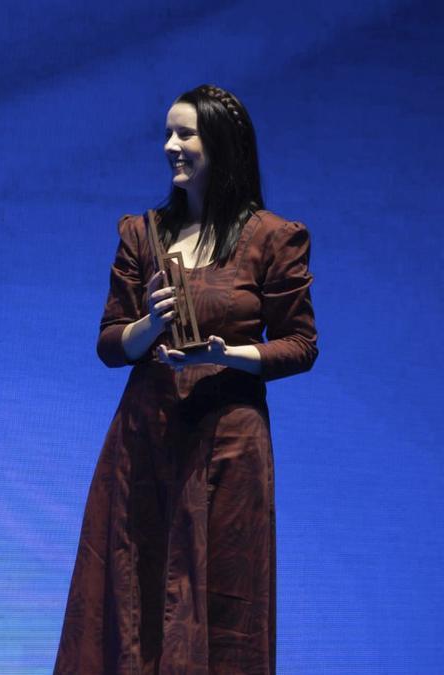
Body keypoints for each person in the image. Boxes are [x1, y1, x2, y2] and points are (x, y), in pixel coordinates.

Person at [54, 84, 317, 673]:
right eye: (168, 134)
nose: (171, 146)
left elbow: (301, 346)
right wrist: (150, 325)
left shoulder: (274, 238)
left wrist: (230, 355)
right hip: (146, 440)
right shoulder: (142, 234)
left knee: (224, 597)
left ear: (221, 144)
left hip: (228, 442)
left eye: (185, 134)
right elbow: (109, 344)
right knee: (135, 591)